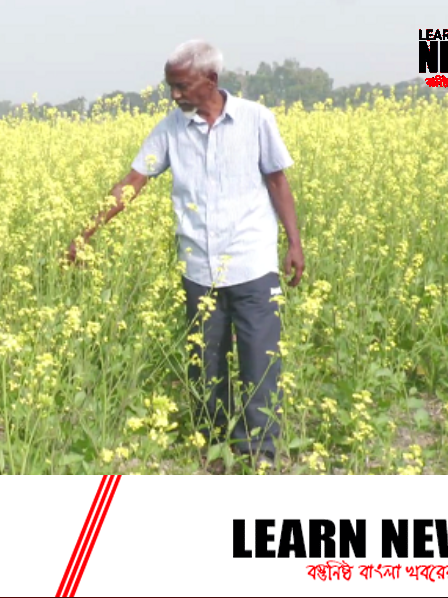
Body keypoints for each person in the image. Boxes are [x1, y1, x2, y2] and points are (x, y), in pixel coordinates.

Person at [65, 40, 305, 466]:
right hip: (198, 267)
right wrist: (88, 232)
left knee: (260, 364)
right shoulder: (171, 127)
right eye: (170, 87)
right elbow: (133, 181)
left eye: (181, 86)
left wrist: (295, 243)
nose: (174, 95)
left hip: (252, 263)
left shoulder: (255, 119)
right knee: (205, 365)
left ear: (210, 81)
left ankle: (259, 453)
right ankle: (212, 446)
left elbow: (277, 182)